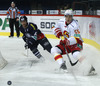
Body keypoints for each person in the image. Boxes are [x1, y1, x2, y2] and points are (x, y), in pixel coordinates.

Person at [51, 9, 95, 74]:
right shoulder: (61, 21)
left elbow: (76, 38)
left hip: (76, 43)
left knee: (75, 54)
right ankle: (62, 65)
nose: (68, 18)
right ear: (64, 16)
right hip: (66, 42)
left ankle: (89, 67)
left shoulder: (75, 25)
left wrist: (67, 41)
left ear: (72, 17)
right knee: (54, 50)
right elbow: (54, 27)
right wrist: (57, 31)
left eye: (70, 16)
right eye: (66, 16)